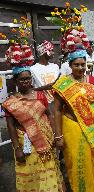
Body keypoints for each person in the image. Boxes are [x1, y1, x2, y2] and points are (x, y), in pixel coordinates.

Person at [3, 44, 65, 191]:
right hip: (26, 143)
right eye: (22, 80)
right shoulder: (11, 102)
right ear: (15, 81)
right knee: (32, 175)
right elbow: (11, 126)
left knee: (50, 170)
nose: (26, 82)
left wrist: (56, 136)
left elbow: (49, 115)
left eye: (28, 79)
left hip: (46, 139)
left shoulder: (40, 95)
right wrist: (17, 148)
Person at [53, 49, 94, 192]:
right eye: (76, 65)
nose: (80, 68)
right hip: (73, 128)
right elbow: (57, 111)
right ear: (70, 65)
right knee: (78, 161)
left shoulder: (91, 80)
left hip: (93, 127)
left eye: (83, 64)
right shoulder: (63, 84)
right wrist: (58, 136)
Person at [30, 40, 60, 108]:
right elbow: (30, 90)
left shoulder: (55, 66)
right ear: (44, 52)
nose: (53, 53)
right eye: (51, 50)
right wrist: (44, 88)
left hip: (57, 102)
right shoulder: (33, 69)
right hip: (43, 104)